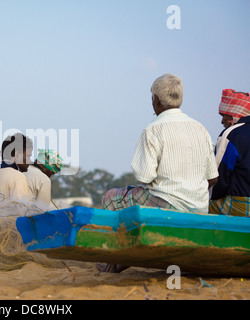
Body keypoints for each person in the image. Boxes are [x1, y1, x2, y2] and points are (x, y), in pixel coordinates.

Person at [99, 73, 219, 273]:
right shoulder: (201, 128)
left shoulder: (153, 129)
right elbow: (213, 177)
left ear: (155, 100)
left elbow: (144, 177)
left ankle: (111, 264)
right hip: (199, 207)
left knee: (111, 198)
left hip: (167, 202)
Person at [209, 89, 250, 217]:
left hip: (241, 203)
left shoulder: (231, 134)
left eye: (224, 116)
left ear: (234, 116)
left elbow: (218, 178)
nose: (222, 122)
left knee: (200, 209)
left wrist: (210, 197)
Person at [0, 133, 33, 202]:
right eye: (28, 156)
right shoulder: (18, 177)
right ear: (16, 155)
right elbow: (21, 209)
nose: (30, 161)